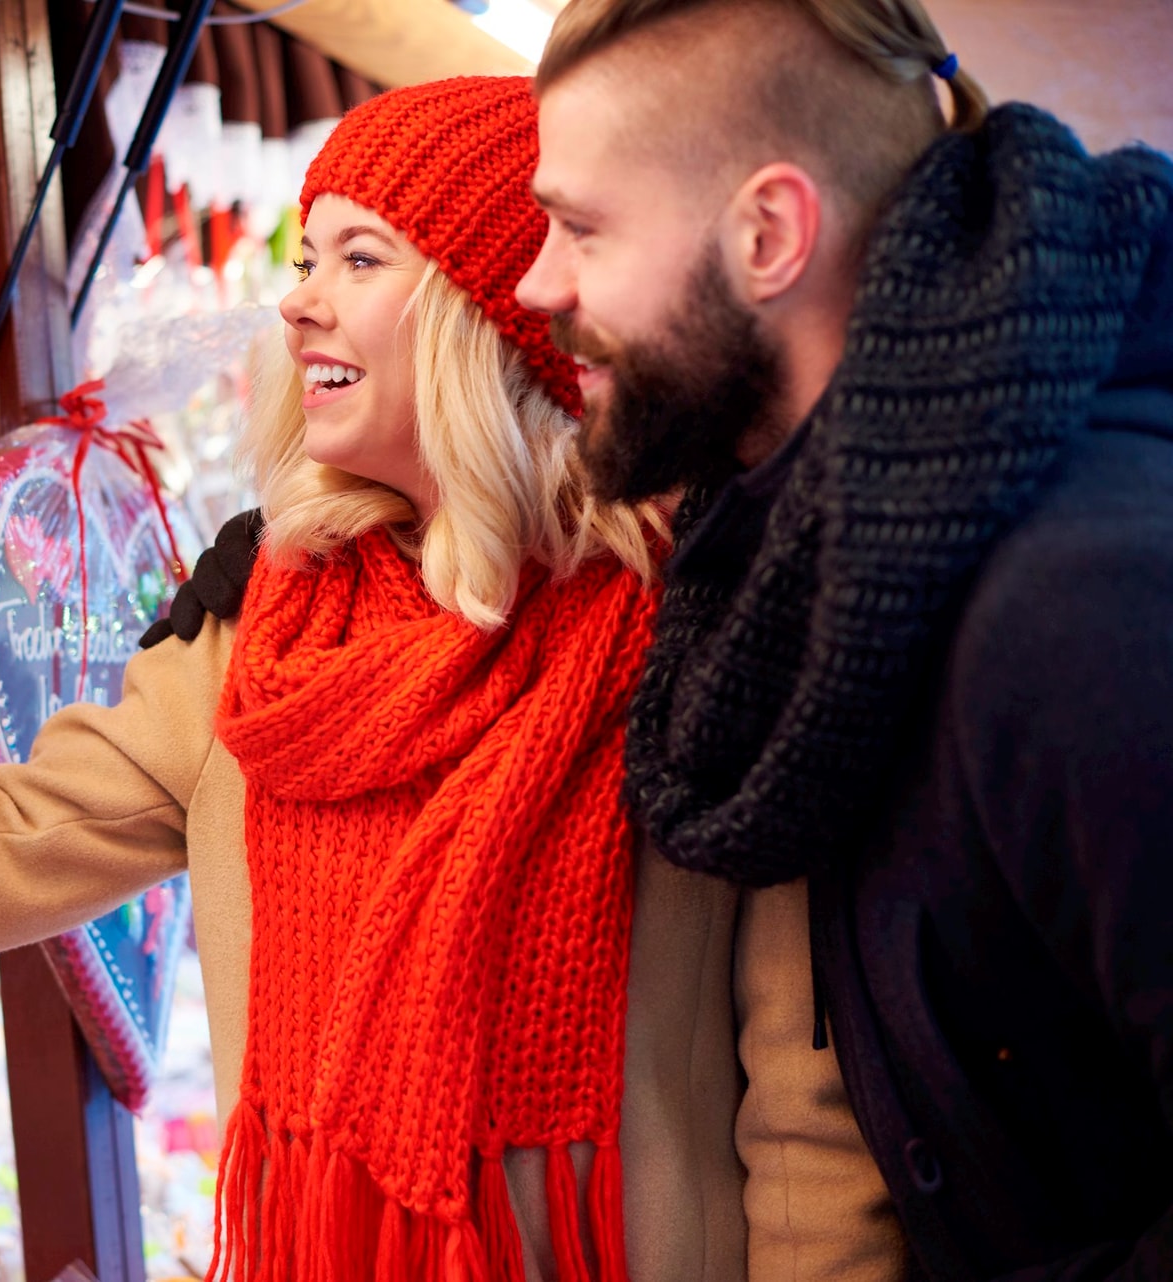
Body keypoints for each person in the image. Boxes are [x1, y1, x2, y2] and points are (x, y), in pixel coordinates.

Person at [0, 78, 755, 1281]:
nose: (299, 303)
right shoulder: (258, 644)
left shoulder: (692, 628)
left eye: (361, 260)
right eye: (305, 259)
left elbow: (809, 1119)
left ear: (505, 308)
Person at [517, 1, 1173, 1278]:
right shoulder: (800, 559)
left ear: (768, 234)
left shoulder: (1075, 606)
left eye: (581, 227)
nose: (537, 282)